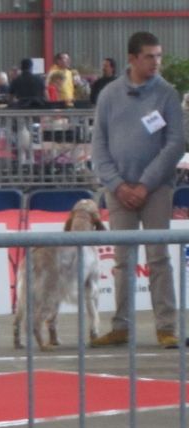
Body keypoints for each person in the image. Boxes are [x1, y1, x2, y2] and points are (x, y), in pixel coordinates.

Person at [90, 31, 184, 349]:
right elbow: (98, 144)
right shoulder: (109, 95)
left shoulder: (168, 95)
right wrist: (117, 185)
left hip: (156, 190)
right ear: (132, 58)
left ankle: (166, 327)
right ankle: (121, 326)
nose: (156, 62)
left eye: (159, 56)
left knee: (158, 259)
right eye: (150, 56)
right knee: (122, 261)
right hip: (118, 192)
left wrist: (145, 184)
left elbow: (174, 145)